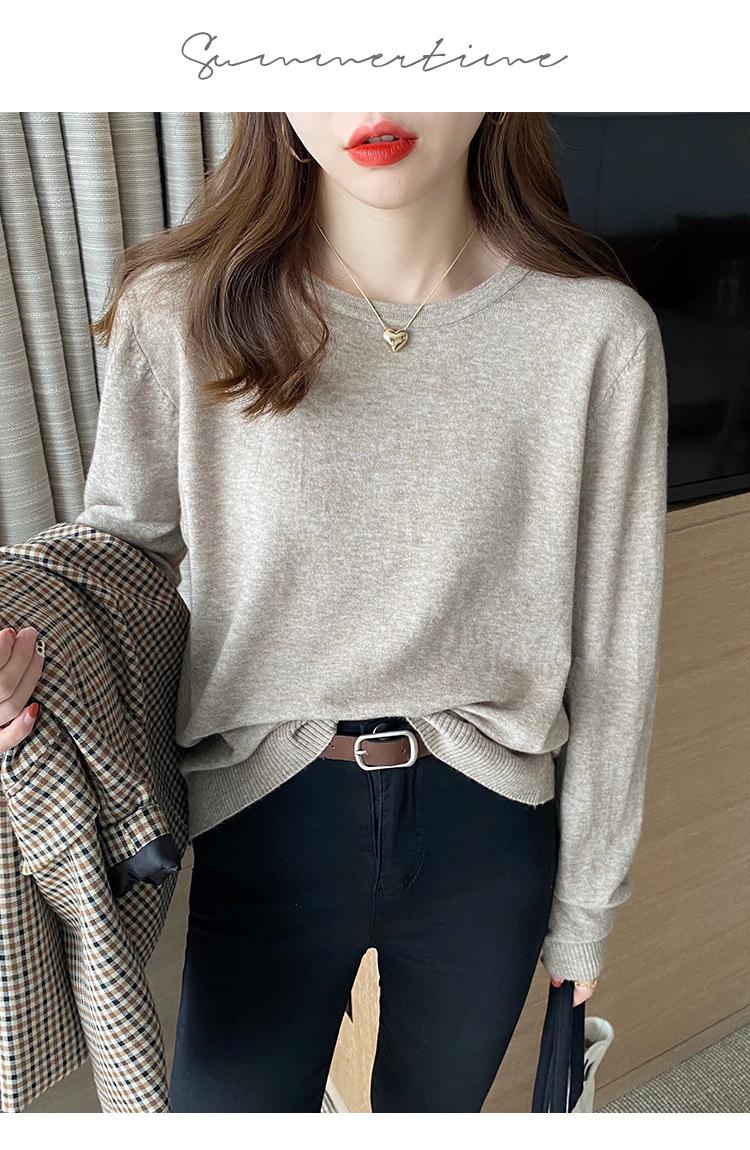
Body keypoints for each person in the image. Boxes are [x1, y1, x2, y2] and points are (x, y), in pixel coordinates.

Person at [2, 113, 668, 1112]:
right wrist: (26, 641)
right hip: (264, 814)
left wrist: (587, 907)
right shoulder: (182, 304)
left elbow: (616, 643)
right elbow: (121, 555)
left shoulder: (594, 333)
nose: (372, 93)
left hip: (488, 826)